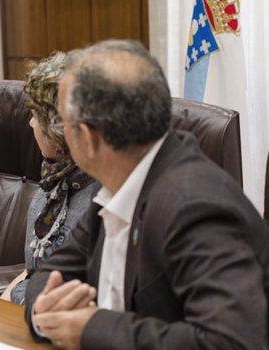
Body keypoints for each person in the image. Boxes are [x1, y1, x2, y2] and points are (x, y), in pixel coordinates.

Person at [24, 39, 268, 350]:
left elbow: (232, 342)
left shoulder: (194, 205)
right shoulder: (115, 184)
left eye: (62, 123)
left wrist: (92, 328)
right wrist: (44, 306)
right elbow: (51, 270)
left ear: (87, 138)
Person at [0, 52, 96, 304]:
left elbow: (68, 295)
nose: (31, 124)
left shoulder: (101, 197)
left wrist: (18, 295)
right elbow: (30, 271)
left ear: (59, 127)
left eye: (35, 115)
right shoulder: (51, 182)